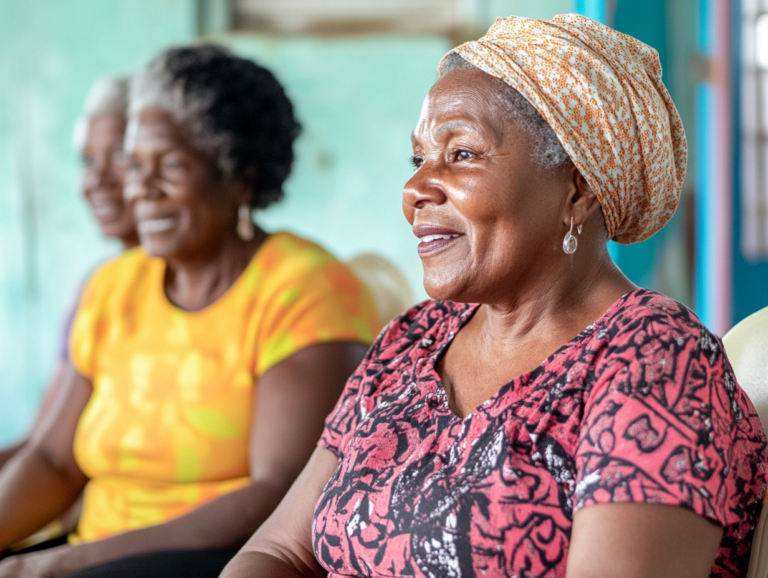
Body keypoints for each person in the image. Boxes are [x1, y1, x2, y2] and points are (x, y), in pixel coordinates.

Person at [221, 14, 768, 578]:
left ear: (579, 185)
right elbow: (280, 551)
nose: (414, 191)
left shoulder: (656, 360)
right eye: (418, 160)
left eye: (461, 154)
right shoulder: (412, 339)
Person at [0, 45, 381, 577]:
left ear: (239, 176)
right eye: (135, 165)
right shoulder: (114, 285)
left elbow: (280, 488)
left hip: (216, 556)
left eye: (171, 166)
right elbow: (52, 460)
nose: (141, 190)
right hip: (91, 551)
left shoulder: (305, 288)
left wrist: (61, 563)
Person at [0, 75, 137, 522]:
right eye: (86, 161)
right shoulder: (100, 286)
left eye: (119, 156)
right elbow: (44, 446)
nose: (96, 180)